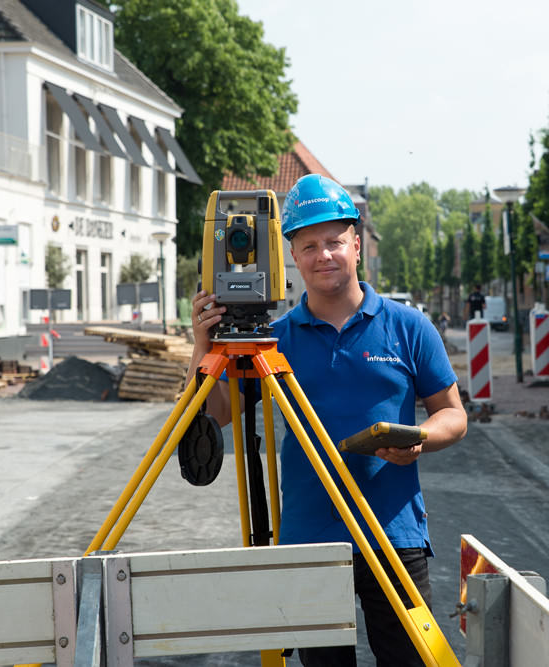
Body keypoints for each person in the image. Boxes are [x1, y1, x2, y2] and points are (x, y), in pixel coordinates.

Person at [187, 174, 467, 666]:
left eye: (335, 242)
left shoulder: (408, 327)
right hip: (310, 539)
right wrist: (202, 348)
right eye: (309, 244)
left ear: (356, 244)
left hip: (394, 535)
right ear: (292, 256)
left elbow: (453, 415)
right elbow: (211, 417)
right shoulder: (272, 342)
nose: (324, 255)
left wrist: (419, 439)